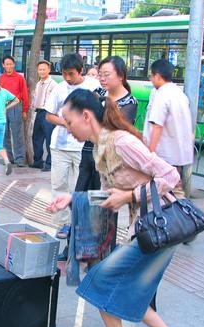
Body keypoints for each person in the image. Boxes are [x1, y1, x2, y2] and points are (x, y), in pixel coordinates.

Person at [48, 89, 182, 327]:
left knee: (100, 279)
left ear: (86, 116)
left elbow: (171, 175)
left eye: (68, 121)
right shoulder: (101, 146)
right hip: (145, 228)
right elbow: (111, 196)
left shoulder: (120, 142)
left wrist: (131, 196)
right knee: (131, 287)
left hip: (160, 226)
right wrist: (73, 199)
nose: (67, 127)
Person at [45, 53, 100, 239]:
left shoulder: (93, 87)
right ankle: (63, 224)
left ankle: (79, 223)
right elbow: (49, 115)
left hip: (83, 148)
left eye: (71, 74)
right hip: (59, 146)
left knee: (78, 188)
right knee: (59, 185)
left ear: (80, 71)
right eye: (64, 74)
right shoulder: (59, 89)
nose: (68, 78)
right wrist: (67, 123)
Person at [75, 56, 139, 194]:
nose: (102, 78)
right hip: (88, 151)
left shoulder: (129, 102)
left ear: (121, 76)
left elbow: (115, 130)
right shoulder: (99, 92)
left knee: (105, 202)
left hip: (110, 158)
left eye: (107, 74)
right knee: (80, 196)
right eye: (100, 74)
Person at [143, 59, 193, 198]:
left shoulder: (162, 95)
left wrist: (150, 153)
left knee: (168, 193)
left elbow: (157, 126)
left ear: (158, 76)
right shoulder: (179, 94)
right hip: (177, 154)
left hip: (164, 155)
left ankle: (182, 217)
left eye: (151, 76)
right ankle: (183, 215)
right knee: (174, 189)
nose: (151, 80)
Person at [0, 56, 29, 167]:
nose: (9, 66)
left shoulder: (19, 78)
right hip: (3, 107)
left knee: (18, 134)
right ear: (3, 65)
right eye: (6, 64)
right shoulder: (0, 78)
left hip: (16, 106)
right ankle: (8, 158)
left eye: (10, 64)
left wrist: (24, 109)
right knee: (4, 133)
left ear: (14, 64)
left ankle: (20, 159)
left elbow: (25, 94)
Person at [30, 60, 57, 172]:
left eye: (44, 69)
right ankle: (38, 161)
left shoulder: (53, 84)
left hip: (48, 113)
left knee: (49, 139)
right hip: (39, 112)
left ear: (49, 70)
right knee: (36, 137)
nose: (41, 71)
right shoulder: (38, 83)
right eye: (40, 69)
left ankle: (50, 163)